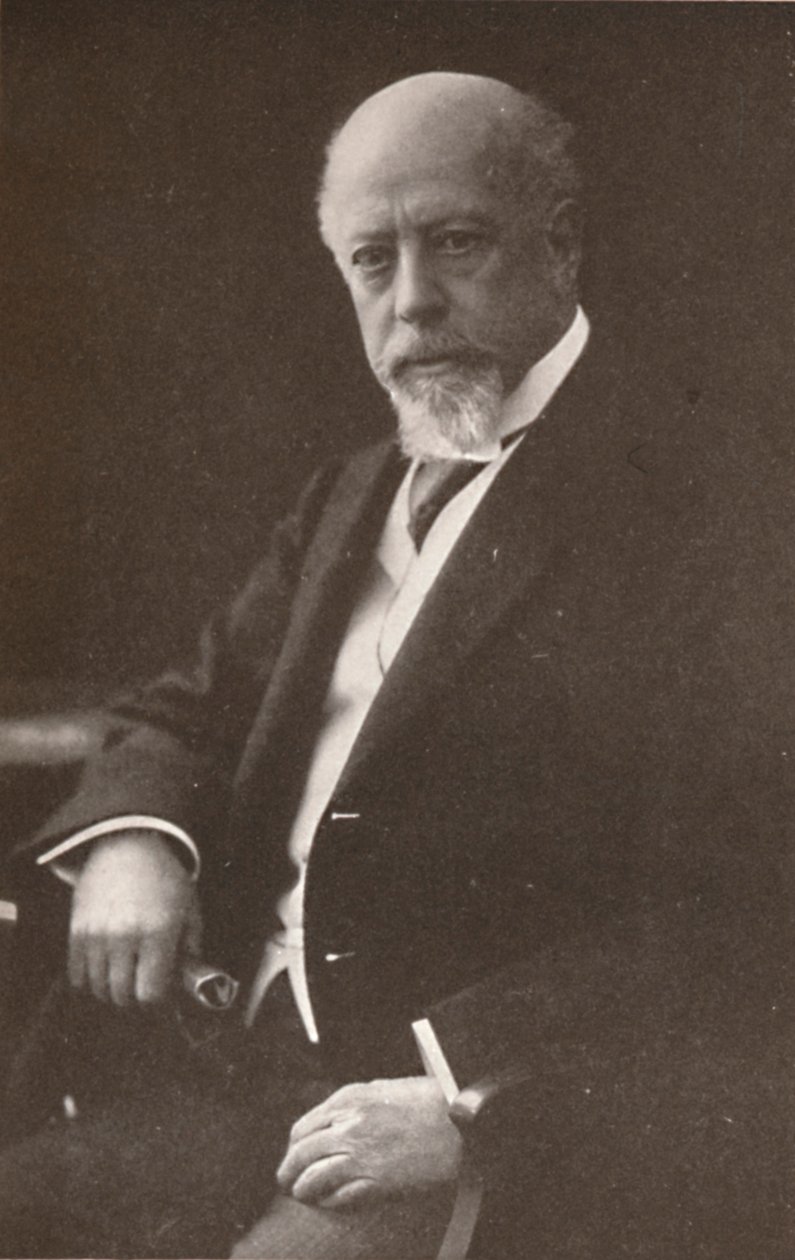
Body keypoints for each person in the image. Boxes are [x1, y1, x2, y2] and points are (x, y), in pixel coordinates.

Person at [0, 71, 791, 1259]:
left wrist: (474, 1101)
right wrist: (135, 842)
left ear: (561, 245)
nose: (412, 301)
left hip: (457, 1122)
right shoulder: (352, 492)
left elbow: (740, 914)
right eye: (374, 261)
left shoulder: (710, 506)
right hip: (227, 1071)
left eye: (457, 243)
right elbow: (187, 708)